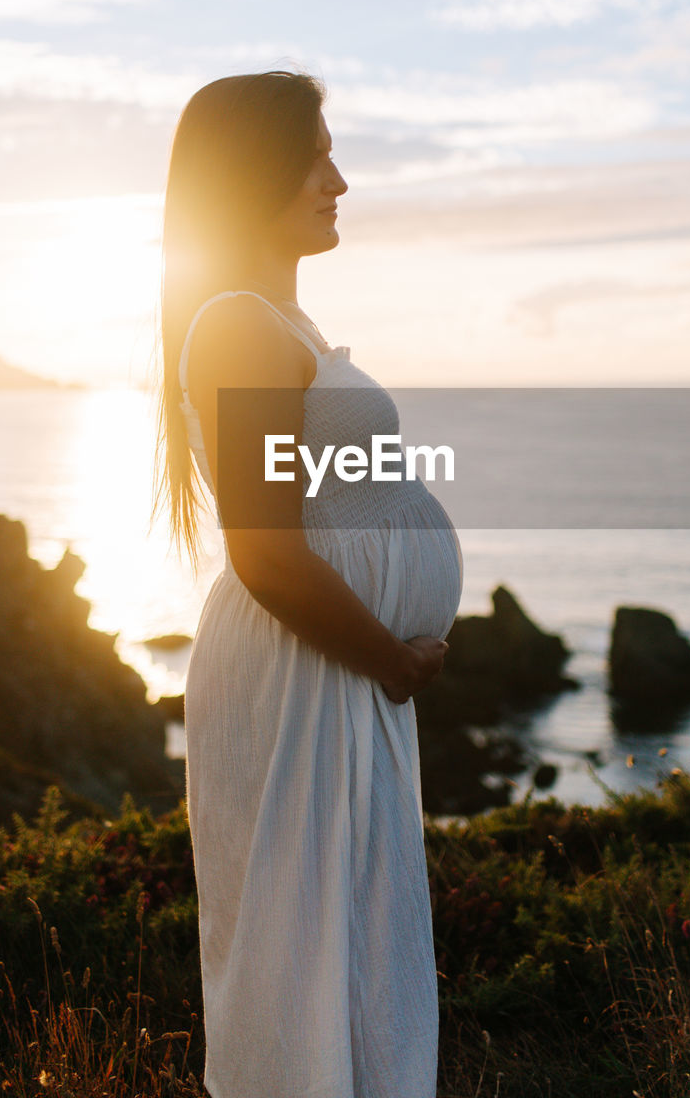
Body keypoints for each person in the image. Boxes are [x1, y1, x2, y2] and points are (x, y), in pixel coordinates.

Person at [154, 69, 463, 1098]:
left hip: (334, 672)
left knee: (350, 942)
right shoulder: (240, 324)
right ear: (257, 174)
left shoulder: (276, 325)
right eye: (316, 155)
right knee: (302, 958)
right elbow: (266, 551)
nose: (339, 179)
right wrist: (393, 656)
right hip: (307, 673)